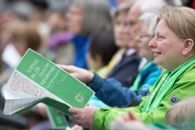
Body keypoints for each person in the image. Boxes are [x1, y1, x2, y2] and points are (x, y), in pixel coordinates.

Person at [63, 7, 195, 130]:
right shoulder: (170, 72)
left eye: (160, 38)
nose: (151, 43)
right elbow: (142, 109)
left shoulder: (191, 78)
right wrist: (97, 115)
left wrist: (97, 117)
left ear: (187, 45)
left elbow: (161, 120)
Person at [66, 0, 112, 69]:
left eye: (74, 13)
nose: (67, 16)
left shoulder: (101, 45)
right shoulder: (79, 40)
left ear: (92, 17)